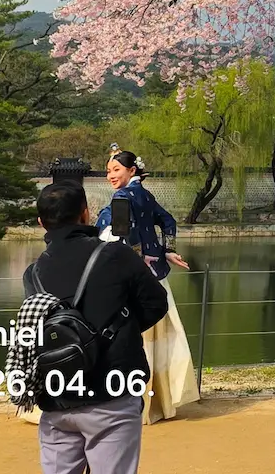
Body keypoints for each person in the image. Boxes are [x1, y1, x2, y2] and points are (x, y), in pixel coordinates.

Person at [28, 180, 170, 474]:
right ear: (86, 213)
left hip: (57, 396)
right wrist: (122, 329)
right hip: (111, 393)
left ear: (41, 223)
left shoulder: (33, 273)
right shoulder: (116, 255)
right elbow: (156, 304)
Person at [97, 150, 197, 422]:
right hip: (157, 276)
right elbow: (168, 221)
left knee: (133, 337)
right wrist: (167, 250)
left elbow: (120, 236)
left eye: (116, 170)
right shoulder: (145, 195)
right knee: (159, 335)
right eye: (108, 171)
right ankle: (162, 402)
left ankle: (134, 405)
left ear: (131, 171)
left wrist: (136, 258)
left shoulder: (121, 197)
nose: (110, 176)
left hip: (133, 279)